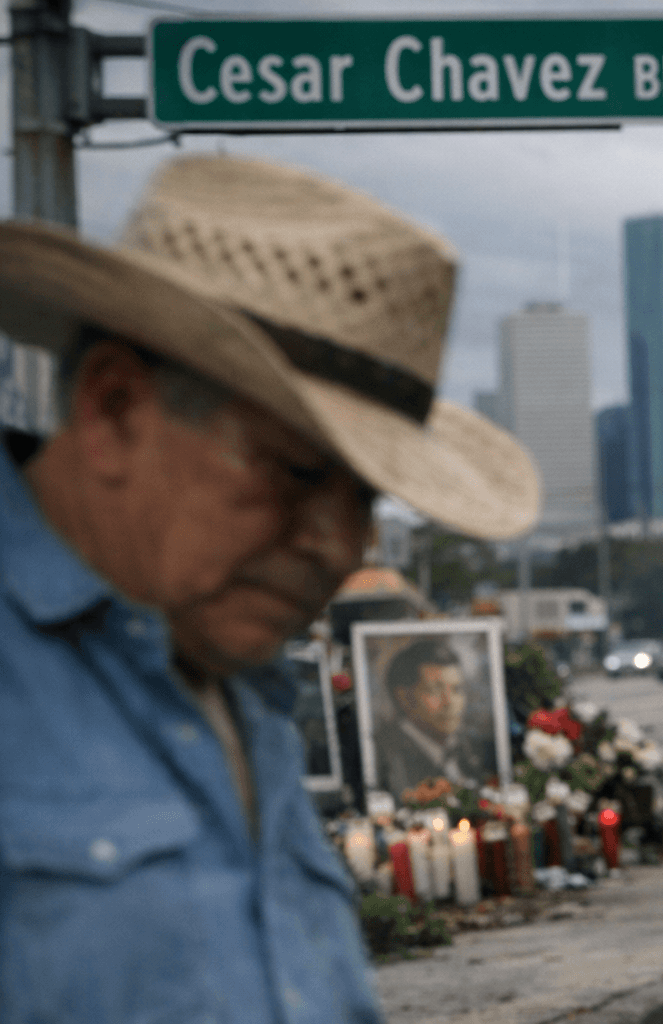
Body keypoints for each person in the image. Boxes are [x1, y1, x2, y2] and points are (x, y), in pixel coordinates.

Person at [0, 155, 541, 1022]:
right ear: (114, 408)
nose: (339, 546)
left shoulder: (235, 682)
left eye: (365, 499)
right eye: (295, 471)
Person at [374, 638, 488, 793]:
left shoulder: (472, 748)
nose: (449, 702)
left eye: (456, 689)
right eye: (435, 690)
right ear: (404, 698)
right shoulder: (383, 755)